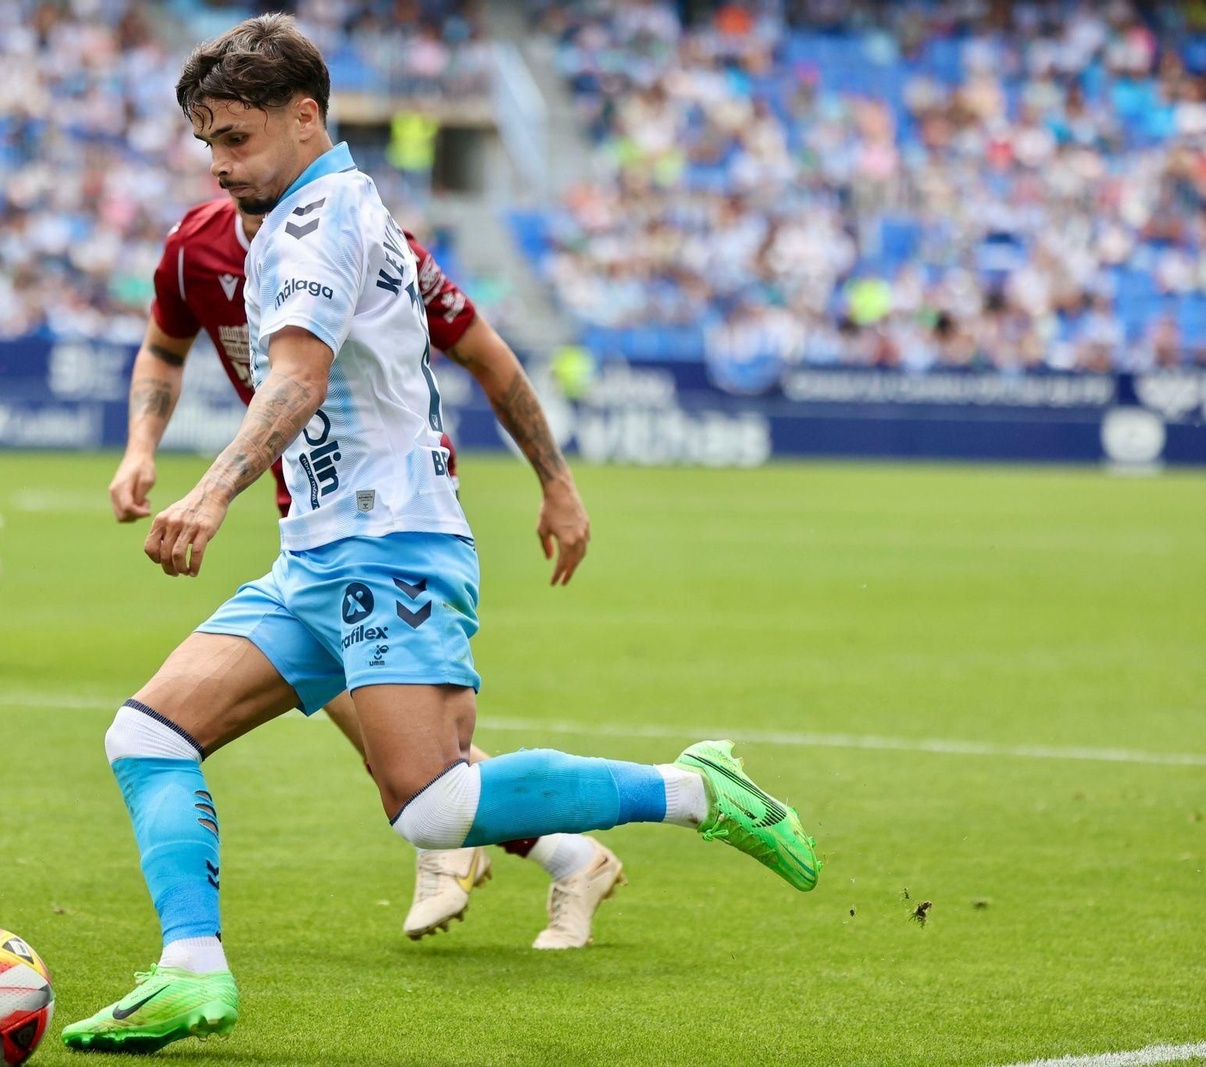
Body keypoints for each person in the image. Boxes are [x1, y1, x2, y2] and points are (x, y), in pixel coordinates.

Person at [63, 16, 819, 1055]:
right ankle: (192, 972)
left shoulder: (317, 220)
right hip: (320, 553)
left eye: (234, 139)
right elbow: (190, 349)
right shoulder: (278, 217)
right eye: (207, 143)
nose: (218, 162)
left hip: (391, 544)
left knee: (430, 809)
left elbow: (300, 375)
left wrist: (208, 493)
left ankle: (692, 788)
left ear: (304, 117)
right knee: (146, 735)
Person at [108, 194, 622, 949]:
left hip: (391, 518)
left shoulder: (365, 239)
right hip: (308, 525)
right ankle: (562, 850)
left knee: (392, 741)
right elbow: (162, 344)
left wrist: (557, 481)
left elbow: (482, 350)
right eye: (214, 138)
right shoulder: (194, 246)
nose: (226, 158)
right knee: (387, 741)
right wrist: (140, 445)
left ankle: (551, 837)